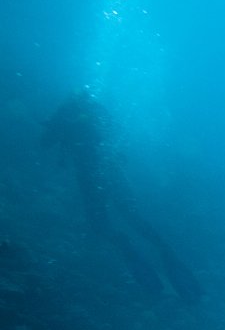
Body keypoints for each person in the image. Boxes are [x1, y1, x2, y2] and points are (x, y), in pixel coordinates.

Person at [41, 90, 203, 303]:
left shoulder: (65, 114)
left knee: (101, 226)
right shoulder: (98, 111)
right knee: (135, 219)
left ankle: (132, 255)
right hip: (113, 172)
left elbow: (45, 142)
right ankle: (169, 258)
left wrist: (55, 127)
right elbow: (117, 136)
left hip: (90, 177)